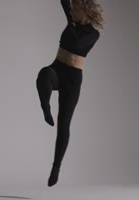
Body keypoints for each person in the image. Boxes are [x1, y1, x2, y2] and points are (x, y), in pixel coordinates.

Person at [36, 0, 104, 187]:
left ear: (85, 10)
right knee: (44, 73)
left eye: (75, 9)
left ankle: (56, 167)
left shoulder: (93, 34)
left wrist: (70, 21)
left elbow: (76, 41)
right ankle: (45, 107)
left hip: (72, 79)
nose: (72, 11)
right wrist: (70, 12)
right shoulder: (72, 19)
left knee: (64, 123)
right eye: (72, 9)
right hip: (57, 69)